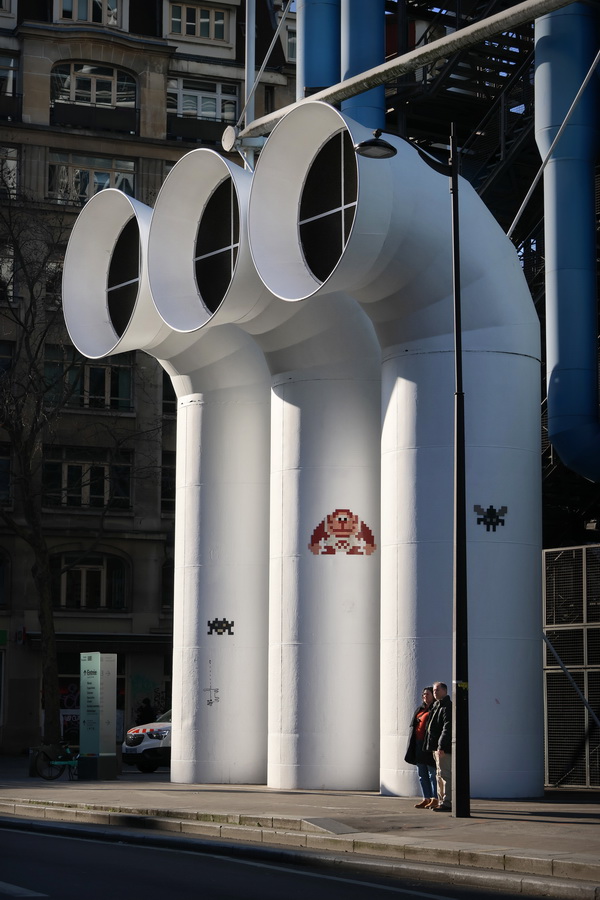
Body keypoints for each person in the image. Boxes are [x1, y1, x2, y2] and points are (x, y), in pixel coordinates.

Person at [404, 686, 438, 809]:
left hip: (429, 745)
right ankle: (426, 798)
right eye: (423, 694)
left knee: (432, 774)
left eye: (427, 694)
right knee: (422, 774)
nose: (425, 696)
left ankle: (435, 798)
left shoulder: (435, 709)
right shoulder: (420, 709)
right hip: (418, 745)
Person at [423, 681, 452, 811]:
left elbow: (447, 728)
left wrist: (441, 745)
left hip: (442, 748)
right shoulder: (436, 705)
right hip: (436, 747)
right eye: (434, 690)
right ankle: (441, 801)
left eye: (437, 690)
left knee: (445, 775)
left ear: (445, 691)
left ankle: (447, 802)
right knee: (439, 775)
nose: (435, 692)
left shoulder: (447, 706)